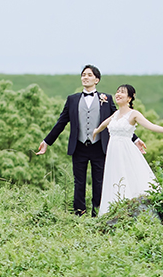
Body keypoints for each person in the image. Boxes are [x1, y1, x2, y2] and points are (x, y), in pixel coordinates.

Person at [36, 65, 145, 216]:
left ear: (97, 80)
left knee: (99, 181)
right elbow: (61, 123)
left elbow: (119, 120)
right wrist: (47, 142)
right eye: (83, 75)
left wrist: (135, 139)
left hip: (99, 146)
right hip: (79, 146)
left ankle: (98, 213)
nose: (85, 77)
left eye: (89, 75)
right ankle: (79, 215)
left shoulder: (106, 99)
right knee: (79, 182)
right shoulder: (72, 100)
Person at [92, 84, 163, 214]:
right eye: (117, 92)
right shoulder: (115, 114)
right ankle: (114, 211)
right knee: (114, 178)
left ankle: (133, 211)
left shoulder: (133, 114)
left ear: (129, 98)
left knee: (129, 177)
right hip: (113, 152)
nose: (118, 94)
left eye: (122, 93)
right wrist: (96, 130)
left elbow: (150, 125)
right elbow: (105, 123)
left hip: (126, 151)